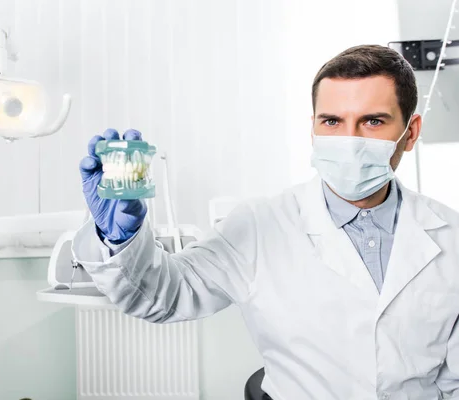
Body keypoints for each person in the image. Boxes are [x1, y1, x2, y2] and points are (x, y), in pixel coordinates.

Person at [73, 45, 459, 399]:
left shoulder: (451, 235)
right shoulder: (259, 226)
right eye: (331, 122)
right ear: (313, 128)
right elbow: (163, 296)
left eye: (373, 122)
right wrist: (119, 237)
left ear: (411, 134)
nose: (349, 140)